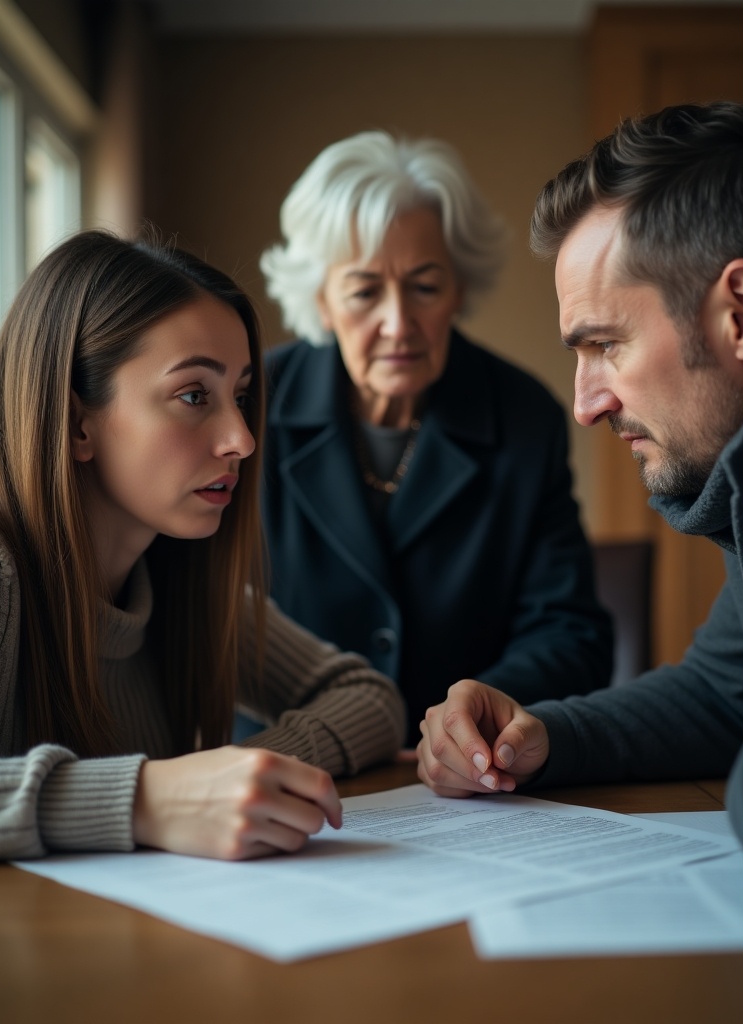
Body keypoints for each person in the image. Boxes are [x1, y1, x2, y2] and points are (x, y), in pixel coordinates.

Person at [416, 102, 743, 910]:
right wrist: (544, 736)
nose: (586, 404)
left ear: (741, 311)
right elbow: (729, 693)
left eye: (604, 345)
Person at [0, 230, 406, 867]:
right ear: (76, 422)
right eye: (193, 396)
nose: (241, 438)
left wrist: (236, 776)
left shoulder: (172, 571)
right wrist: (143, 799)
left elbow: (367, 697)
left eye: (240, 396)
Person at [258, 130, 613, 738]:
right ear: (321, 301)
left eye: (424, 286)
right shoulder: (252, 407)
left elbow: (568, 633)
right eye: (365, 291)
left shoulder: (523, 416)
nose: (399, 324)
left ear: (458, 289)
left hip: (467, 775)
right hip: (284, 761)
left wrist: (474, 714)